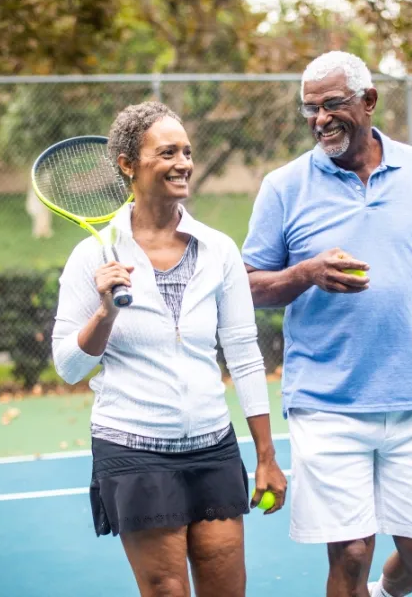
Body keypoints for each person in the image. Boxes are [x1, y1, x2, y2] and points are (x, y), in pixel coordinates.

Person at [241, 51, 412, 597]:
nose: (319, 119)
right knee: (352, 554)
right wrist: (306, 274)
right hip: (326, 402)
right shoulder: (283, 186)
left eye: (332, 104)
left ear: (369, 100)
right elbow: (245, 285)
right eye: (309, 109)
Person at [52, 101, 287, 597]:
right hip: (133, 449)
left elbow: (243, 352)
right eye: (167, 152)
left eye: (186, 151)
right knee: (167, 591)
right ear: (127, 164)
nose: (183, 163)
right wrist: (105, 312)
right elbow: (69, 366)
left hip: (213, 446)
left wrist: (266, 454)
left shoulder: (219, 248)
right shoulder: (92, 254)